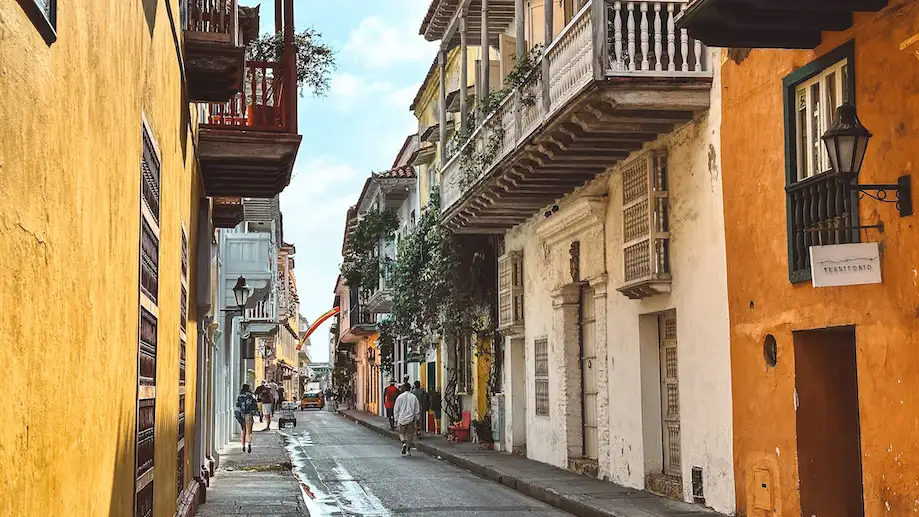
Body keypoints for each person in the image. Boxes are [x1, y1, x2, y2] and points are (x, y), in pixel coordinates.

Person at [393, 384, 421, 456]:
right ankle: (408, 450)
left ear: (404, 388)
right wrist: (417, 418)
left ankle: (404, 443)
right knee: (410, 434)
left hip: (402, 418)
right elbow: (417, 409)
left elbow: (396, 409)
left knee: (401, 433)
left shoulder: (399, 397)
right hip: (411, 418)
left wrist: (396, 419)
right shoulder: (414, 397)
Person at [234, 384, 260, 454]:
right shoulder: (251, 396)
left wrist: (237, 415)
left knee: (243, 431)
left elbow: (237, 406)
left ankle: (243, 446)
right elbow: (255, 405)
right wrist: (257, 412)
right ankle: (249, 443)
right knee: (249, 431)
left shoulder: (240, 396)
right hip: (249, 414)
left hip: (241, 415)